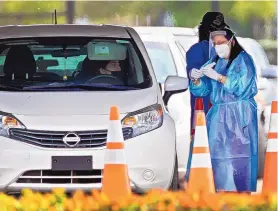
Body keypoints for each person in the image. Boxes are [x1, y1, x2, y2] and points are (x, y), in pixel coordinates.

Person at [189, 26, 258, 192]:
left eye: (221, 42)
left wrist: (218, 77)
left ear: (231, 41)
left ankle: (242, 197)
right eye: (215, 43)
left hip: (241, 114)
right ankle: (221, 196)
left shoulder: (244, 60)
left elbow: (240, 87)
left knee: (240, 158)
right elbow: (203, 90)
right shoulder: (214, 62)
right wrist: (196, 79)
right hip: (219, 116)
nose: (218, 45)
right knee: (218, 158)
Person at [184, 11, 230, 183]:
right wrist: (195, 74)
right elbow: (194, 73)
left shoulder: (227, 50)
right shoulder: (198, 50)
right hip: (205, 110)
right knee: (204, 149)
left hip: (214, 110)